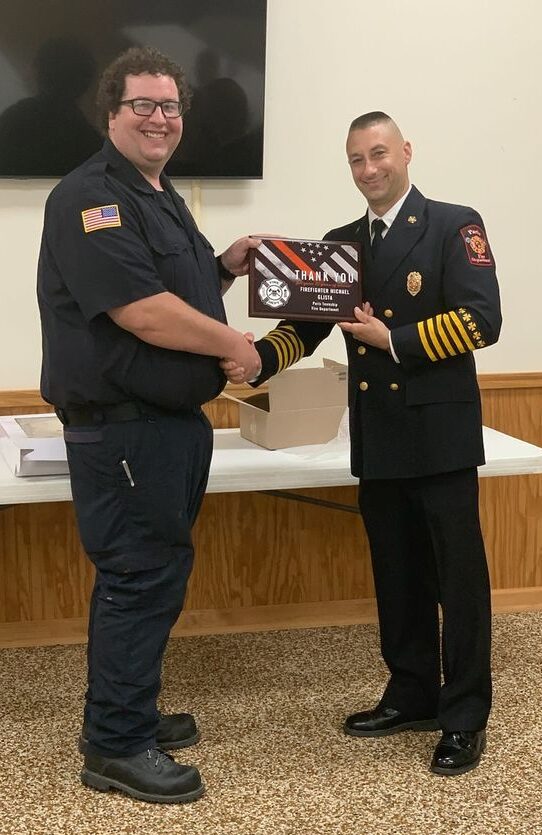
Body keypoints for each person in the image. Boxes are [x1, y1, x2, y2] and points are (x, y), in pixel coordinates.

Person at [222, 112, 501, 776]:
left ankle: (463, 714)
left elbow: (481, 319)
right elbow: (304, 328)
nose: (369, 169)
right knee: (397, 575)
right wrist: (254, 360)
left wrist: (394, 341)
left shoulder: (453, 224)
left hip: (440, 434)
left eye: (379, 153)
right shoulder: (340, 245)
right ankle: (411, 692)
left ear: (405, 151)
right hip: (379, 438)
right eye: (356, 160)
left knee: (458, 583)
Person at [37, 46, 261, 804]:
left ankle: (127, 712)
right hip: (126, 429)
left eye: (170, 106)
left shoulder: (157, 194)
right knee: (138, 577)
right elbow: (141, 311)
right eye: (144, 105)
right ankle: (114, 745)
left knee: (154, 574)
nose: (161, 118)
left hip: (165, 427)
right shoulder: (89, 198)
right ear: (111, 112)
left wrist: (225, 264)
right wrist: (235, 343)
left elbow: (178, 284)